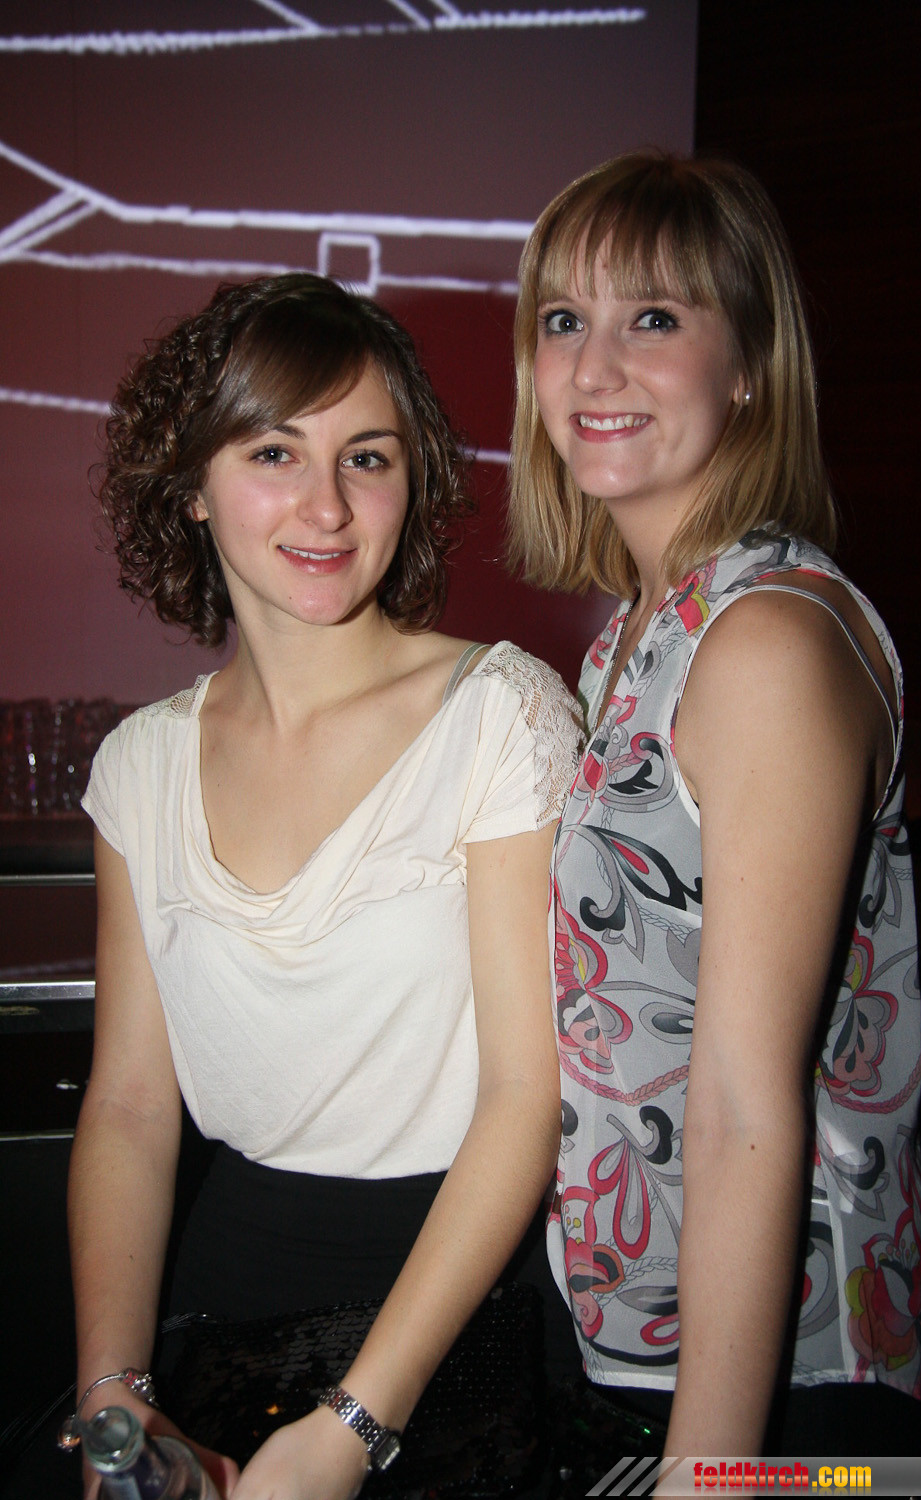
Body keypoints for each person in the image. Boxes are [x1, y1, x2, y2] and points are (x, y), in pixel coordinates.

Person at [66, 272, 582, 1499]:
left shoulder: (499, 713)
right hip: (218, 1301)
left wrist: (353, 1426)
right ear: (191, 484)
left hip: (456, 1314)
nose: (327, 505)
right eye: (272, 452)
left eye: (367, 457)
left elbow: (525, 1098)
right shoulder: (139, 765)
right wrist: (112, 1396)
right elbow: (130, 1108)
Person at [507, 151, 921, 1461]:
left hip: (798, 1386)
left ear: (749, 363)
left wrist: (710, 1473)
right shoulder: (637, 631)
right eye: (563, 319)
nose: (594, 368)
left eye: (652, 317)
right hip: (653, 1345)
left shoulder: (762, 639)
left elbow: (744, 1103)